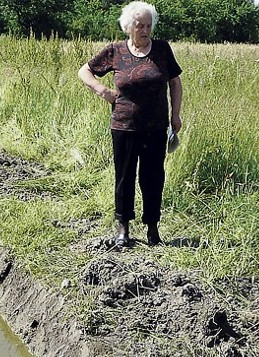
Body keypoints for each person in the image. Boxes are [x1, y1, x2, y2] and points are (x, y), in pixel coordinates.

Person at [78, 1, 183, 247]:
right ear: (128, 27)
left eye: (149, 25)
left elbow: (175, 83)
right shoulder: (115, 51)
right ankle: (123, 227)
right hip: (123, 126)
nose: (145, 30)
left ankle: (152, 228)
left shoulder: (162, 49)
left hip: (156, 127)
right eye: (140, 25)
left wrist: (175, 115)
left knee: (153, 177)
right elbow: (84, 71)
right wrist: (101, 90)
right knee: (124, 177)